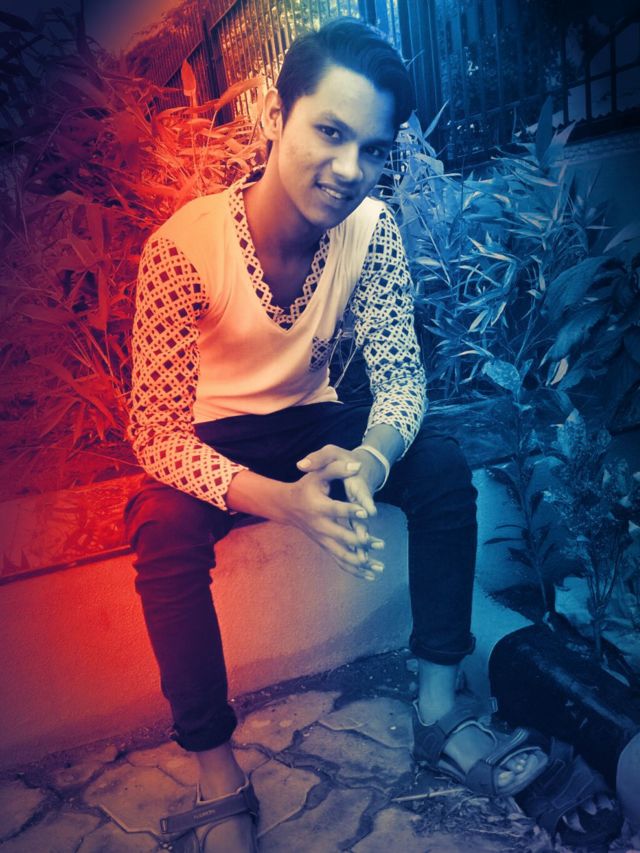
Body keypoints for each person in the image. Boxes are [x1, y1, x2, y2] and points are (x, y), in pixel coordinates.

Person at [124, 18, 548, 852]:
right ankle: (218, 773)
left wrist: (370, 457)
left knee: (441, 467)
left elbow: (400, 380)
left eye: (373, 148)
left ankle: (437, 706)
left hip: (312, 416)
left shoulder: (371, 229)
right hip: (213, 433)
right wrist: (280, 501)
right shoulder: (183, 248)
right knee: (160, 530)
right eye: (329, 131)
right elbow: (156, 432)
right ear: (275, 118)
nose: (351, 168)